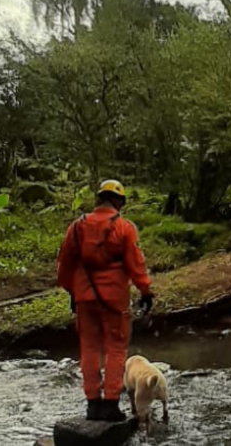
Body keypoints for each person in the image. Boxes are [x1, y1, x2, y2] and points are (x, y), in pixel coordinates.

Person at [57, 179, 155, 422]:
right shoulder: (124, 227)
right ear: (119, 202)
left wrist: (73, 292)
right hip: (114, 300)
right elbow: (136, 264)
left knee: (89, 348)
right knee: (115, 349)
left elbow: (64, 267)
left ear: (99, 199)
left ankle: (92, 404)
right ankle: (111, 404)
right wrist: (146, 291)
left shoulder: (77, 227)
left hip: (84, 298)